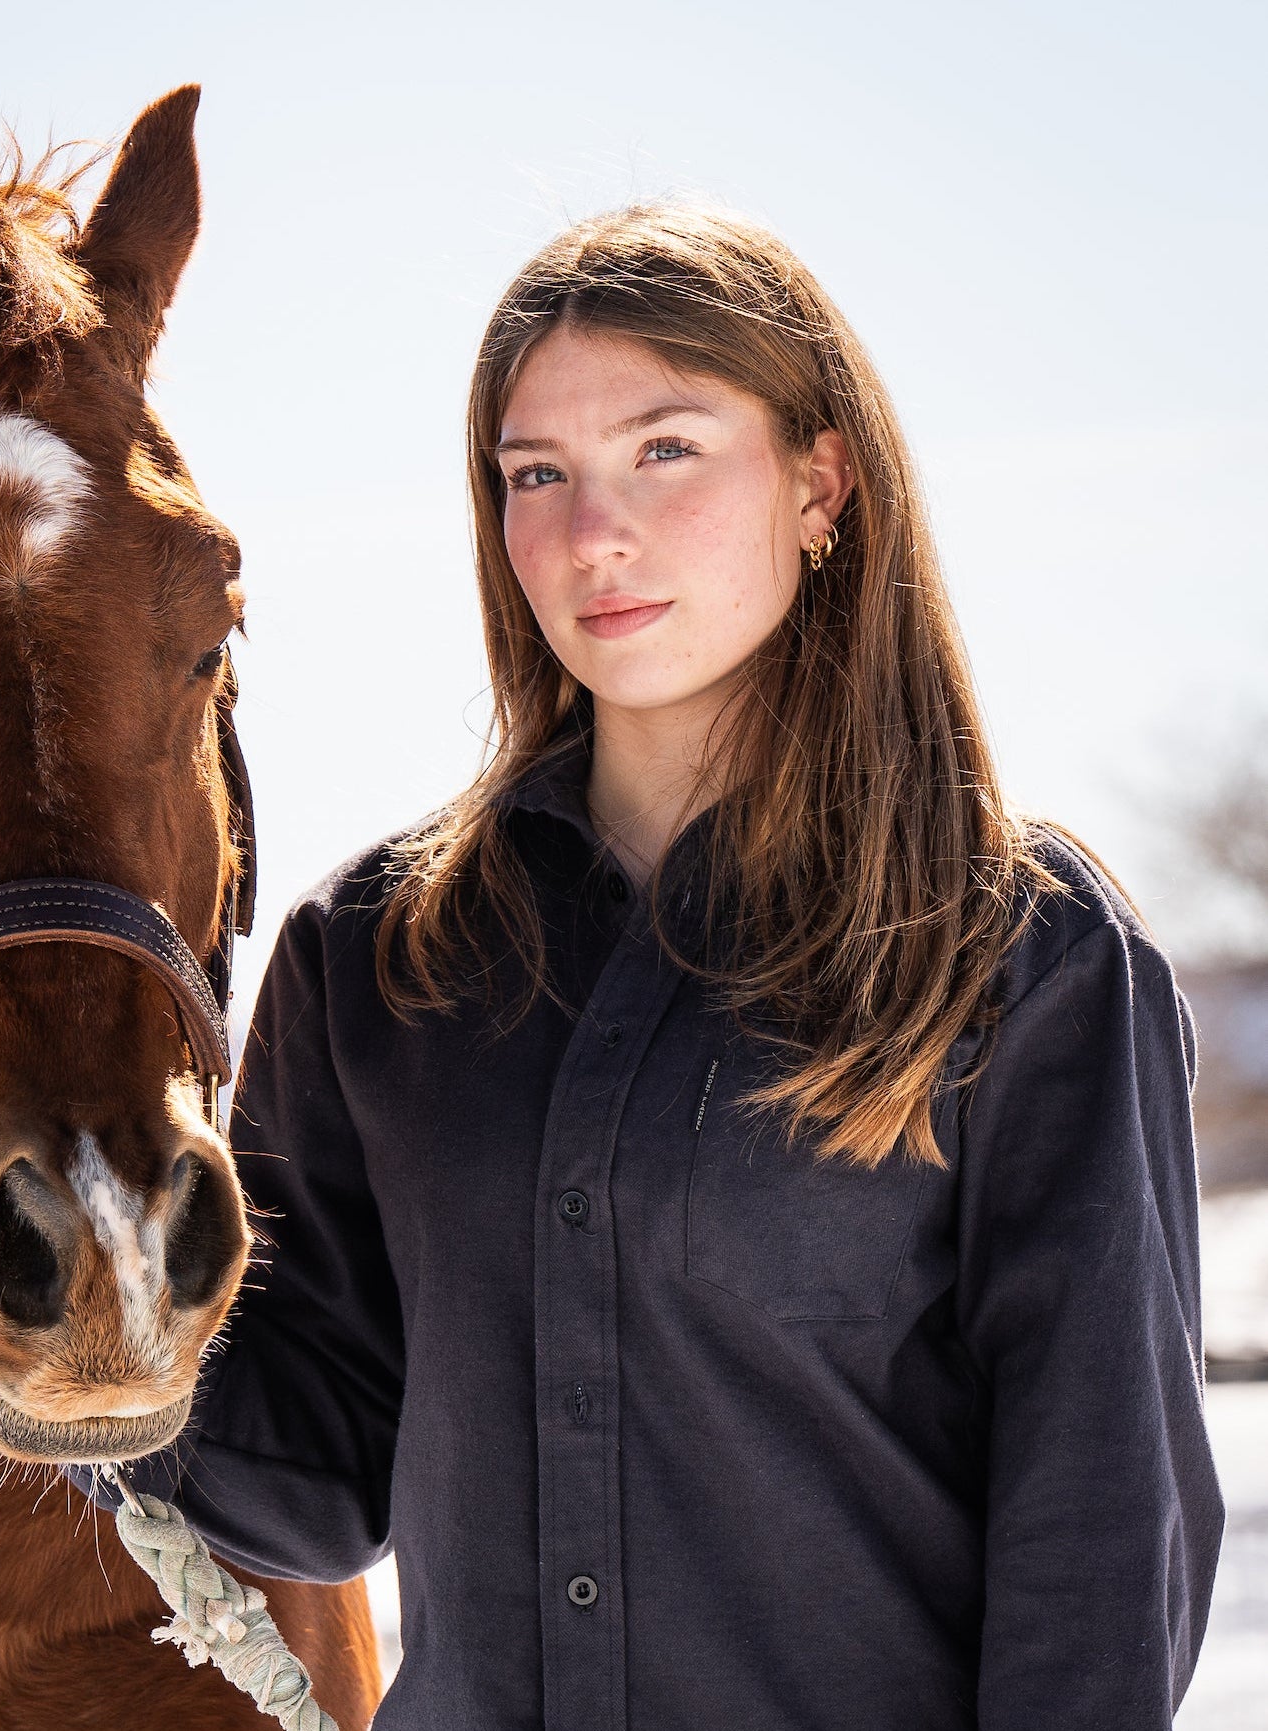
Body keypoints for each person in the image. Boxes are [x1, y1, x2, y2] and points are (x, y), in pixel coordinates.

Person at [94, 204, 1224, 1730]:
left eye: (665, 451)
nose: (591, 536)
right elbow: (316, 1485)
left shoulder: (1021, 955)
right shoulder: (371, 959)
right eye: (534, 475)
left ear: (821, 482)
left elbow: (1100, 1544)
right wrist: (53, 1306)